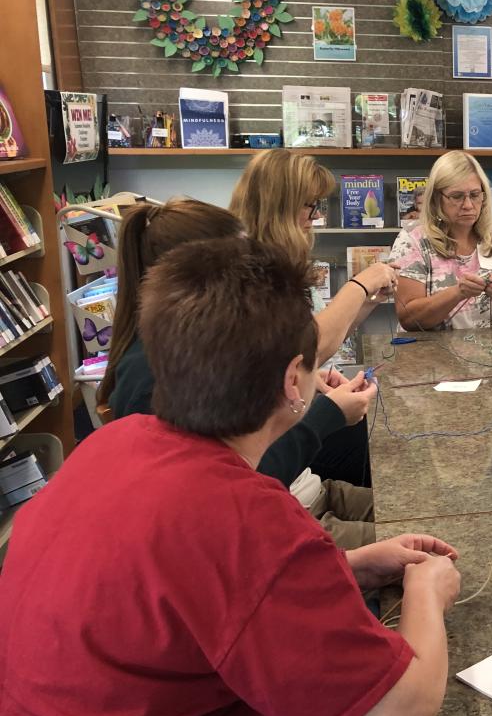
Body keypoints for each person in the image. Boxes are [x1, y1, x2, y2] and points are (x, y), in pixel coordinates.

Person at [0, 236, 461, 716]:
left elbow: (188, 597)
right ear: (294, 380)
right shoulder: (244, 518)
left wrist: (343, 566)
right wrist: (427, 594)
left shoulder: (108, 444)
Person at [97, 198, 379, 549]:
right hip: (277, 520)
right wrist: (326, 415)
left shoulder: (207, 349)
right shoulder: (150, 379)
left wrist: (305, 387)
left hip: (301, 496)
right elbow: (232, 491)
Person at [231, 148, 396, 485]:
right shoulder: (249, 273)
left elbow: (302, 349)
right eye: (310, 206)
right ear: (282, 204)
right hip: (269, 450)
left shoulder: (265, 261)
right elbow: (308, 349)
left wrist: (366, 302)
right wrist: (360, 285)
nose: (316, 217)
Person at [391, 150, 492, 330]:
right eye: (457, 196)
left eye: (474, 195)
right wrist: (457, 293)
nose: (468, 205)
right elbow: (409, 320)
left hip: (489, 352)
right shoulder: (413, 239)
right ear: (436, 199)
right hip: (431, 355)